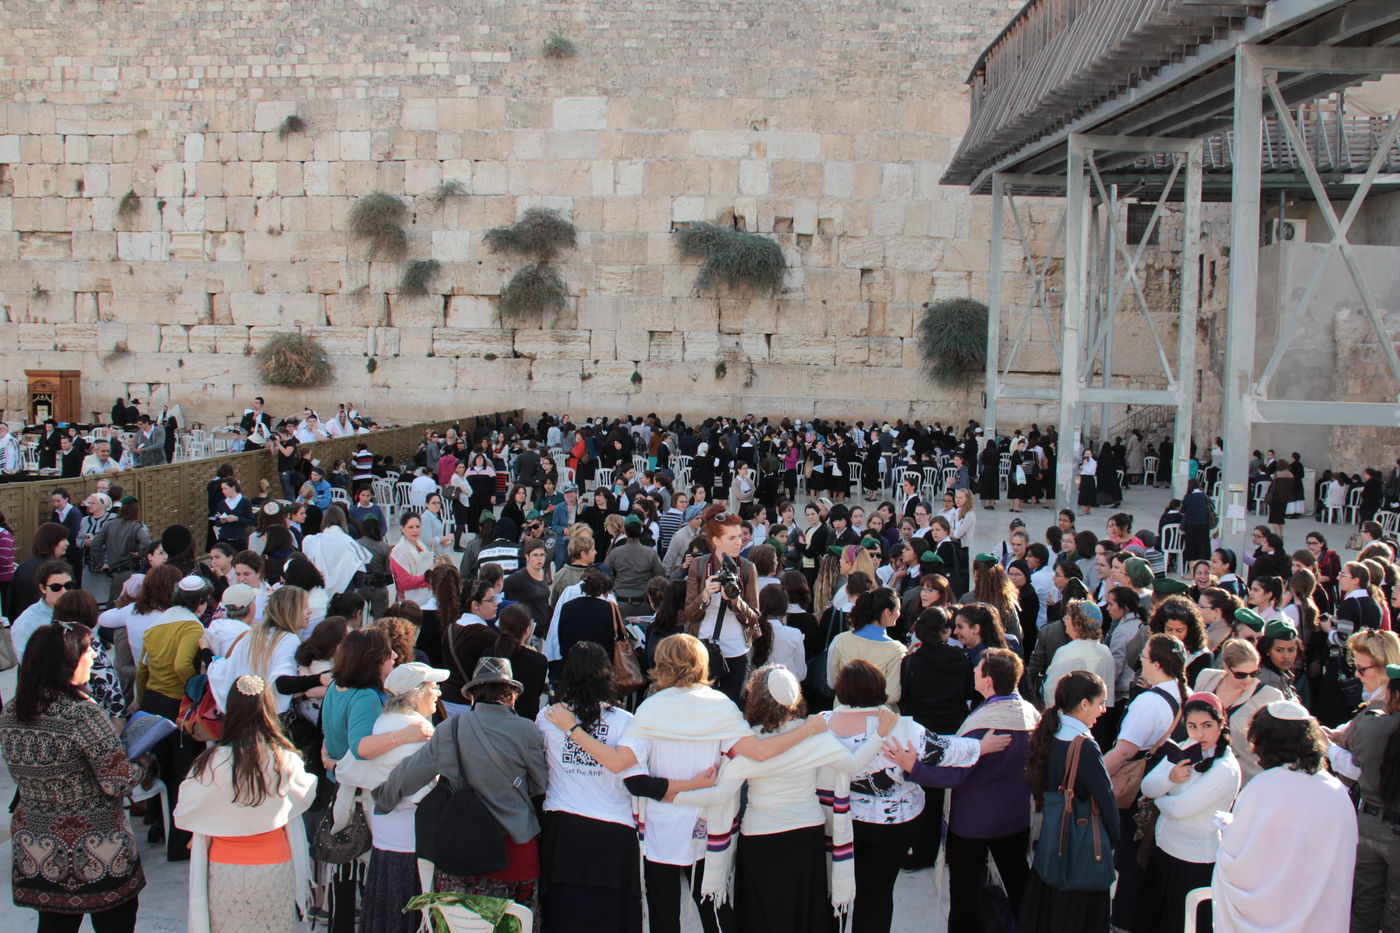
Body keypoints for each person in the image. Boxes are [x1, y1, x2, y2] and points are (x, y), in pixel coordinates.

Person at [655, 665, 901, 933]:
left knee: (764, 917)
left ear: (755, 697)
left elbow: (722, 793)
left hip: (762, 838)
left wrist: (673, 796)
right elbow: (853, 764)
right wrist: (880, 734)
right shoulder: (816, 734)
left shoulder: (748, 743)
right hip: (807, 836)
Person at [373, 656, 550, 920]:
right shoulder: (527, 730)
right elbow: (541, 785)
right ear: (512, 697)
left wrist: (383, 798)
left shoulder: (449, 729)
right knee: (515, 922)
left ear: (472, 697)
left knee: (461, 923)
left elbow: (410, 774)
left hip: (462, 851)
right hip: (515, 852)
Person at [0, 622, 147, 932]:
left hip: (38, 847)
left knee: (53, 926)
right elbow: (116, 782)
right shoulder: (81, 714)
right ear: (67, 662)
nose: (94, 657)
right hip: (95, 851)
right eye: (87, 651)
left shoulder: (12, 711)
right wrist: (144, 764)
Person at [826, 659, 991, 933]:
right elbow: (944, 751)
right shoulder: (902, 729)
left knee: (836, 888)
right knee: (878, 891)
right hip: (896, 822)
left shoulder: (824, 724)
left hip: (842, 818)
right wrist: (981, 747)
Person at [893, 648, 1041, 930]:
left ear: (988, 680)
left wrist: (913, 767)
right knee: (1019, 881)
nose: (972, 671)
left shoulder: (983, 726)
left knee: (964, 893)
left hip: (973, 823)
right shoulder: (1031, 715)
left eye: (977, 669)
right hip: (1015, 817)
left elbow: (955, 775)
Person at [174, 673, 316, 933]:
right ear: (269, 710)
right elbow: (305, 796)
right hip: (275, 866)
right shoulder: (284, 759)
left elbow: (183, 812)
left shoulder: (210, 763)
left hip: (225, 868)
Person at [1212, 700, 1357, 931]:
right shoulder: (1337, 791)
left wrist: (1229, 830)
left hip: (1271, 914)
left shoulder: (1262, 789)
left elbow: (1238, 863)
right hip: (1321, 916)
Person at [533, 643, 645, 933]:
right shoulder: (625, 722)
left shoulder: (548, 719)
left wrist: (572, 730)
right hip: (613, 831)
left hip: (565, 828)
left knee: (565, 914)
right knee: (612, 916)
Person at [332, 662, 446, 933]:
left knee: (384, 907)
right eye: (434, 687)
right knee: (410, 910)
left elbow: (347, 769)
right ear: (417, 694)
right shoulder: (419, 732)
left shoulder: (381, 723)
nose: (439, 693)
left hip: (383, 832)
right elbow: (424, 792)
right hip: (414, 838)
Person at [1133, 693, 1241, 933]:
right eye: (1192, 726)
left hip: (1195, 862)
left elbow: (1181, 809)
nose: (1199, 734)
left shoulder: (1226, 767)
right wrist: (1170, 778)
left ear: (1221, 724)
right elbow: (1147, 786)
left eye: (1207, 726)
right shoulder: (1184, 748)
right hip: (1164, 853)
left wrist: (1161, 795)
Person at [1020, 670, 1116, 932]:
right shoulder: (1084, 746)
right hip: (1079, 850)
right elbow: (1106, 800)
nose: (1104, 710)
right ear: (1084, 703)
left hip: (1051, 842)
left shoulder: (1050, 732)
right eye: (1100, 703)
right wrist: (1112, 841)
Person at [1105, 633, 1189, 929]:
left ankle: (1123, 919)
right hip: (1165, 785)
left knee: (1130, 859)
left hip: (1138, 789)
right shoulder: (1184, 693)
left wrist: (1094, 774)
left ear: (1155, 663)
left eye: (1144, 657)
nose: (1140, 661)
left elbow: (1126, 749)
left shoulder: (1149, 702)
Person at [682, 503, 761, 703]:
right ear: (716, 540)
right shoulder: (699, 566)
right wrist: (705, 596)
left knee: (732, 708)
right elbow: (689, 614)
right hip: (703, 648)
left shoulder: (747, 568)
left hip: (736, 648)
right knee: (700, 706)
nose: (739, 543)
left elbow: (754, 616)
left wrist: (736, 601)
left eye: (740, 537)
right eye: (732, 538)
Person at [1194, 638, 1285, 783]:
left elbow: (1280, 744)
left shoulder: (1271, 696)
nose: (1248, 680)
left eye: (1254, 673)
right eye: (1241, 674)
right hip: (1202, 773)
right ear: (1226, 667)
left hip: (1248, 777)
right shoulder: (1206, 678)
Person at [826, 587, 908, 706]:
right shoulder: (897, 650)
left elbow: (832, 682)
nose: (899, 614)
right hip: (877, 716)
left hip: (843, 710)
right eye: (898, 610)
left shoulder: (840, 640)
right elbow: (892, 695)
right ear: (887, 612)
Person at [1043, 599, 1116, 709]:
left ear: (1078, 624)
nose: (1064, 621)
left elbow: (1051, 688)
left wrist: (1053, 717)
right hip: (1097, 716)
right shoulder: (1105, 652)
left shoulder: (1066, 651)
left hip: (1069, 715)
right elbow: (1108, 694)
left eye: (1067, 618)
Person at [389, 511, 435, 605]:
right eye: (410, 527)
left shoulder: (420, 544)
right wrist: (427, 576)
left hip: (425, 596)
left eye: (418, 527)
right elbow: (405, 583)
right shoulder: (399, 551)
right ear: (402, 528)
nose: (415, 530)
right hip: (409, 602)